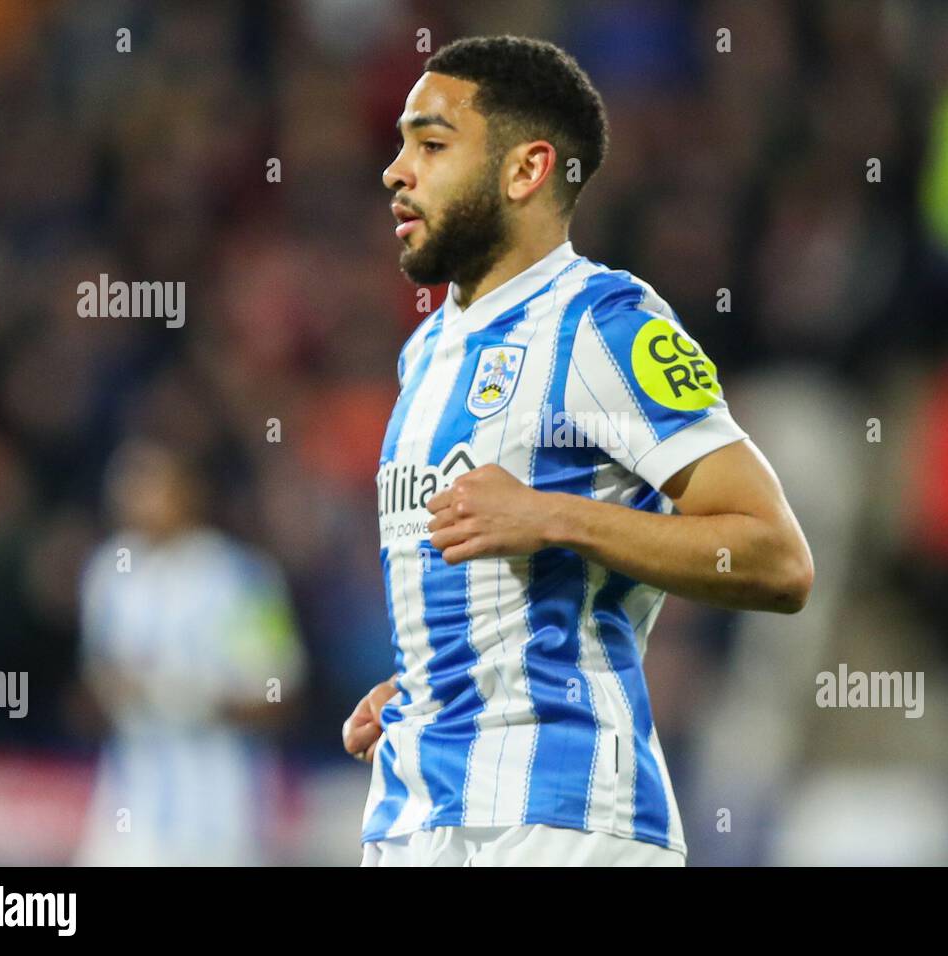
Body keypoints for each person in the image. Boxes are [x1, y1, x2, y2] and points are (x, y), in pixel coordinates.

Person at [343, 35, 813, 867]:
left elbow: (778, 559)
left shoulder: (603, 325)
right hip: (417, 815)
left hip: (561, 819)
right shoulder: (426, 353)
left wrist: (553, 516)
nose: (396, 170)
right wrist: (427, 685)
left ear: (526, 171)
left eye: (431, 143)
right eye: (400, 143)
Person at [76, 439, 304, 865]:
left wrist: (194, 699)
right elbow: (94, 685)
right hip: (131, 808)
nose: (136, 496)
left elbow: (281, 694)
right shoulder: (109, 573)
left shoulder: (243, 577)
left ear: (191, 490)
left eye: (153, 483)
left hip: (223, 813)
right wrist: (111, 693)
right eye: (129, 483)